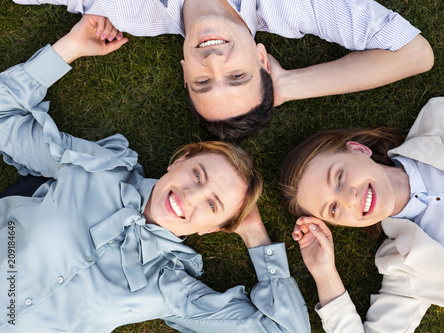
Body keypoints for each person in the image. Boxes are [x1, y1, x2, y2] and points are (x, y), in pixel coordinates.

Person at [0, 16, 311, 333]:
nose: (191, 196)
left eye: (213, 206)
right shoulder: (95, 168)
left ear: (213, 229)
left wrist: (256, 236)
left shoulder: (169, 290)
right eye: (197, 175)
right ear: (180, 161)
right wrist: (70, 47)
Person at [14, 0, 434, 139]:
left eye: (202, 82)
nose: (214, 63)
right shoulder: (295, 8)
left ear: (183, 71)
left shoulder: (126, 11)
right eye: (238, 76)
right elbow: (414, 54)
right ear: (262, 59)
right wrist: (282, 87)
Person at [280, 92, 444, 332]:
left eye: (339, 177)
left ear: (358, 149)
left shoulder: (443, 118)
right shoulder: (406, 266)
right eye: (333, 208)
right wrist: (324, 274)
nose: (348, 198)